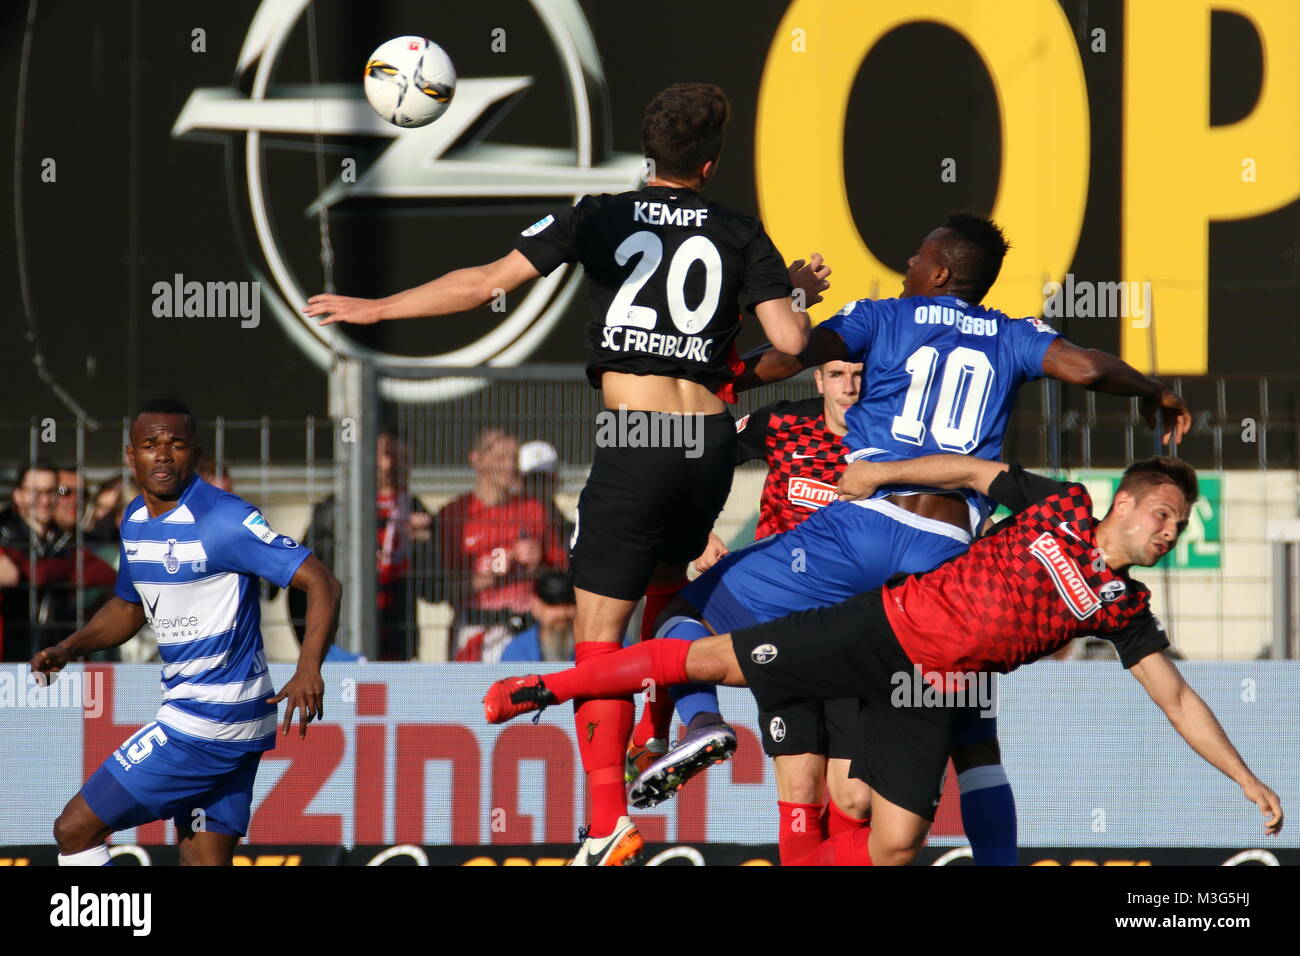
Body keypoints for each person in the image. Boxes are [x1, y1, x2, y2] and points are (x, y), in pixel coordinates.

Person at [307, 83, 828, 864]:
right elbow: (789, 340)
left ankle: (607, 819)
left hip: (637, 442)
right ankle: (687, 725)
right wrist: (794, 292)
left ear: (648, 154)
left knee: (599, 643)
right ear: (712, 163)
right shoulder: (738, 229)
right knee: (665, 594)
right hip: (712, 449)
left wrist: (377, 310)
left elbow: (485, 283)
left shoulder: (599, 212)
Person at [627, 214, 1193, 867]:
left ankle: (700, 722)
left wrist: (721, 380)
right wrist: (1153, 390)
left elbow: (789, 353)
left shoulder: (885, 315)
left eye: (919, 255)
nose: (908, 262)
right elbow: (1089, 369)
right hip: (947, 558)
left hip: (864, 530)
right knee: (972, 735)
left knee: (686, 613)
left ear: (941, 273)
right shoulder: (1014, 334)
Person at [485, 454, 1284, 865]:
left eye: (1176, 526)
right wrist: (879, 474)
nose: (1168, 532)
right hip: (879, 626)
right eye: (1163, 514)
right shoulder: (1062, 503)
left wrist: (1246, 779)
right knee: (709, 663)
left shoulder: (1124, 607)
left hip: (928, 686)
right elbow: (971, 474)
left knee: (895, 839)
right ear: (1125, 501)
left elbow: (1177, 700)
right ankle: (544, 688)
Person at [35, 398, 342, 867]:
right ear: (130, 455)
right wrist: (68, 647)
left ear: (195, 454)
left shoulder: (223, 519)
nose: (162, 455)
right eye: (150, 445)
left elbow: (321, 581)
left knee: (74, 830)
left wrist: (307, 669)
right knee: (202, 863)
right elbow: (127, 606)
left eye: (176, 445)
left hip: (206, 721)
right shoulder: (136, 520)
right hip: (236, 720)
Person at [291, 431, 434, 660]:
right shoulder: (334, 510)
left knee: (386, 696)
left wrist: (424, 543)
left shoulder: (414, 508)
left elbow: (433, 592)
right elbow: (301, 584)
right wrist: (312, 646)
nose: (389, 465)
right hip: (342, 642)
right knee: (360, 696)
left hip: (396, 647)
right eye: (383, 456)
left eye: (398, 457)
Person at [431, 428, 568, 662]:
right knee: (471, 697)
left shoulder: (533, 510)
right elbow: (440, 590)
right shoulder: (455, 515)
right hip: (474, 630)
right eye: (500, 459)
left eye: (513, 459)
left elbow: (560, 577)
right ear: (477, 460)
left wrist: (538, 566)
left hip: (523, 629)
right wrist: (489, 575)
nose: (509, 467)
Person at [1, 463, 116, 661]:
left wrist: (42, 570)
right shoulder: (5, 530)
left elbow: (105, 574)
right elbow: (10, 575)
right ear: (18, 495)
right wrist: (64, 570)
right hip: (9, 654)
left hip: (48, 654)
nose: (44, 500)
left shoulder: (62, 540)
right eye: (35, 492)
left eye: (52, 491)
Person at [500, 570, 578, 663]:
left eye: (569, 604)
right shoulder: (518, 650)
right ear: (536, 607)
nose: (562, 613)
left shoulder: (591, 646)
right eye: (552, 604)